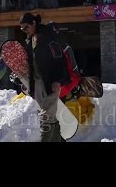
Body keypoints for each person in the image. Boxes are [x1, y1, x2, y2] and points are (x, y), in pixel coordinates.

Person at [18, 12, 71, 142]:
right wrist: (26, 82)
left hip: (52, 84)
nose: (24, 31)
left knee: (46, 118)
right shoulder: (30, 40)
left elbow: (60, 61)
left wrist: (58, 80)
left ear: (34, 23)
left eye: (26, 27)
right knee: (52, 118)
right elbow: (31, 65)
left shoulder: (48, 37)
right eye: (22, 29)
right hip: (38, 85)